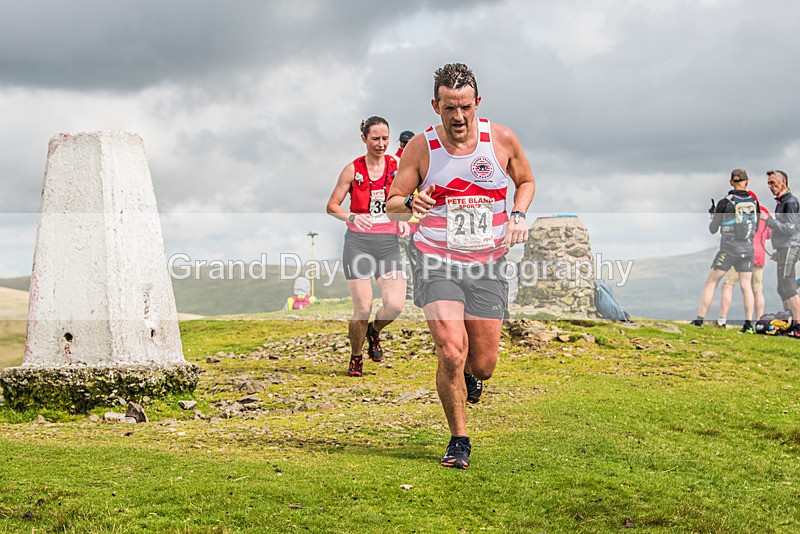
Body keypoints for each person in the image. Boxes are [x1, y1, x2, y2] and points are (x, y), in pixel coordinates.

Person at [387, 63, 535, 469]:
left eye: (465, 107)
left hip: (487, 263)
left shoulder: (501, 140)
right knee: (451, 351)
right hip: (436, 261)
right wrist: (410, 202)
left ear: (477, 103)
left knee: (483, 365)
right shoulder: (422, 147)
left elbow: (525, 181)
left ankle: (469, 375)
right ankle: (459, 439)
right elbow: (393, 203)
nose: (458, 116)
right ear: (436, 106)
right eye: (449, 107)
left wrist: (518, 214)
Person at [326, 116, 409, 376]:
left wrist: (405, 219)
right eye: (375, 139)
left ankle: (374, 331)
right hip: (358, 244)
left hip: (388, 244)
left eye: (385, 138)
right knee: (362, 308)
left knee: (395, 305)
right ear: (364, 138)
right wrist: (351, 216)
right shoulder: (352, 169)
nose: (381, 144)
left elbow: (410, 197)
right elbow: (332, 206)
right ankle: (356, 356)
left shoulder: (397, 165)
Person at [691, 169, 758, 333]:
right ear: (747, 182)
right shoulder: (754, 203)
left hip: (728, 249)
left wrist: (712, 215)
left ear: (731, 182)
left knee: (711, 282)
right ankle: (748, 324)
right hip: (747, 248)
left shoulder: (725, 202)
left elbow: (713, 229)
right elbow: (755, 228)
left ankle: (699, 320)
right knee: (746, 286)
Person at [717, 197, 771, 326]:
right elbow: (769, 234)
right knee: (757, 289)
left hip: (741, 252)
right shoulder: (764, 212)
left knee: (728, 285)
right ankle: (759, 323)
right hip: (759, 255)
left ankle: (722, 320)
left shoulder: (738, 208)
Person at [763, 169, 800, 336]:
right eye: (769, 183)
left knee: (789, 287)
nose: (770, 186)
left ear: (783, 182)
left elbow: (790, 228)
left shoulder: (790, 202)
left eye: (772, 183)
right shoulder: (782, 202)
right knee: (782, 288)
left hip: (790, 247)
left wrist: (769, 220)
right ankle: (789, 323)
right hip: (785, 248)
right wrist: (778, 250)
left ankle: (798, 326)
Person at [395, 130, 418, 299]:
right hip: (416, 218)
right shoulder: (420, 159)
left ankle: (409, 292)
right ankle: (416, 291)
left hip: (401, 217)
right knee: (416, 257)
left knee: (403, 257)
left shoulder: (393, 162)